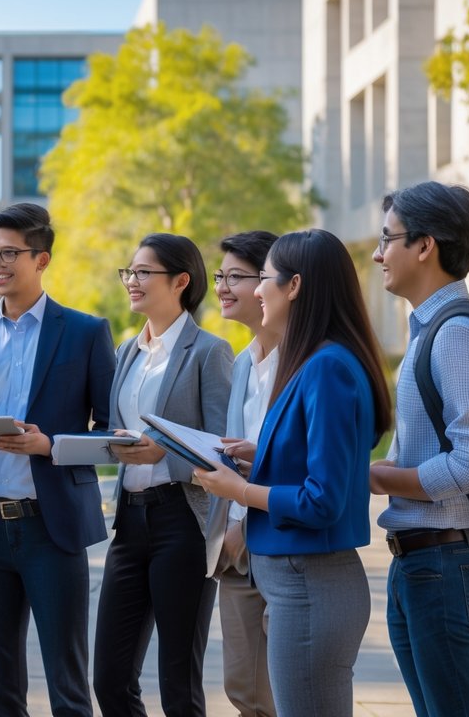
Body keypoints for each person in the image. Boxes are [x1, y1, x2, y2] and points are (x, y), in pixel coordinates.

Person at [194, 229, 392, 717]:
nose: (256, 290)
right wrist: (260, 455)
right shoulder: (319, 363)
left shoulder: (325, 367)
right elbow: (321, 462)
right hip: (301, 583)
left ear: (295, 286)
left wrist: (241, 489)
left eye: (262, 278)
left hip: (309, 584)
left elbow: (322, 499)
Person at [0, 203, 116, 717]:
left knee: (67, 685)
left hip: (52, 530)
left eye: (8, 252)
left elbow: (110, 436)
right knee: (0, 693)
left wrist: (51, 446)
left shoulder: (85, 333)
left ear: (41, 259)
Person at [369, 182, 469, 717]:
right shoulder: (429, 332)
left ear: (425, 246)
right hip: (421, 560)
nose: (379, 254)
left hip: (444, 562)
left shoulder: (455, 334)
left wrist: (377, 477)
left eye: (388, 239)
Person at [92, 233, 233, 717]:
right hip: (130, 523)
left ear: (180, 282)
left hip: (183, 523)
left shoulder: (209, 352)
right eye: (129, 271)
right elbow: (121, 428)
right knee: (109, 679)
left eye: (143, 272)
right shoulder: (127, 350)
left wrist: (163, 457)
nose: (132, 281)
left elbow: (223, 449)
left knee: (179, 684)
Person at [205, 230, 279, 717]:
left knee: (287, 690)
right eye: (221, 277)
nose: (223, 288)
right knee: (243, 689)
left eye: (236, 276)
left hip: (282, 538)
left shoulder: (305, 365)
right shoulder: (242, 363)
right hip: (237, 546)